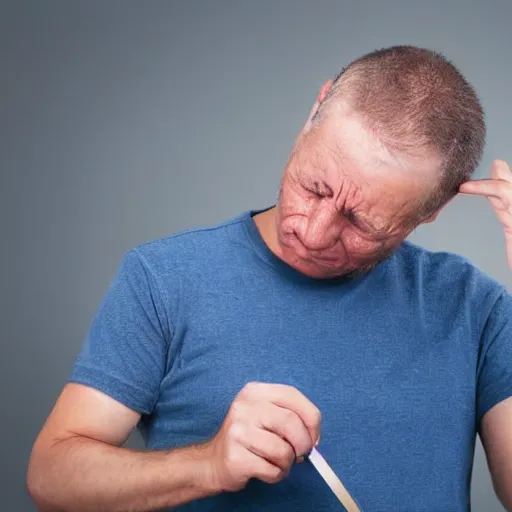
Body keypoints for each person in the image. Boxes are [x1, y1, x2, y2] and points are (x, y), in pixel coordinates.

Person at [27, 45, 512, 512]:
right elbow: (51, 479)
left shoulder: (475, 308)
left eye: (360, 224)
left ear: (435, 209)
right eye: (313, 187)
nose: (313, 232)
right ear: (313, 112)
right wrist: (207, 466)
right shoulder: (163, 280)